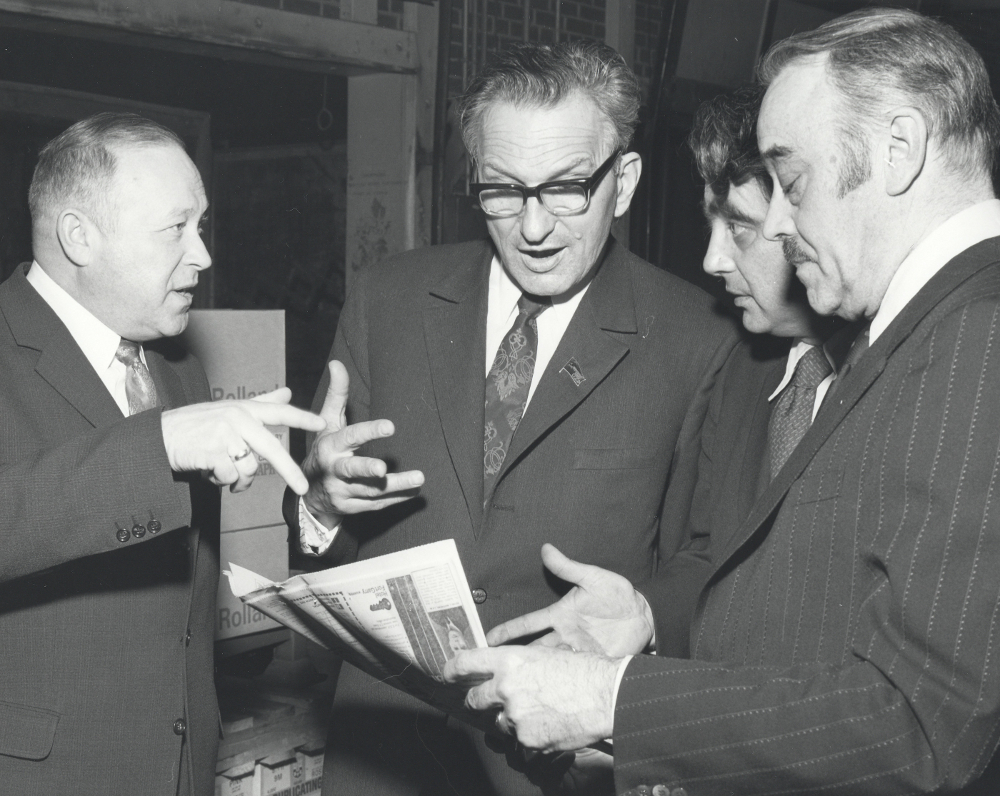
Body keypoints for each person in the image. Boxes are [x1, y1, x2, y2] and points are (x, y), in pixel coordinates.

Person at [443, 8, 1000, 795]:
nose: (779, 223)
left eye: (793, 182)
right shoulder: (926, 333)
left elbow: (921, 731)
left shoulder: (979, 338)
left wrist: (611, 699)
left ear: (899, 149)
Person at [292, 40, 739, 795]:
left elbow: (711, 563)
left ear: (623, 183)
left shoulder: (700, 338)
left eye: (567, 189)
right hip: (382, 755)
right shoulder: (388, 300)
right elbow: (317, 547)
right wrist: (319, 502)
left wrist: (647, 616)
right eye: (502, 190)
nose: (533, 227)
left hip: (554, 766)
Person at [0, 112, 326, 795]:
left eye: (200, 226)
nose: (204, 255)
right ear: (79, 236)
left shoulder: (175, 368)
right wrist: (163, 447)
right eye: (176, 228)